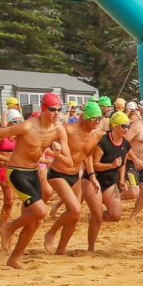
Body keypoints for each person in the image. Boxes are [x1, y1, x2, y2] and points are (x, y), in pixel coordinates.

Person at [0, 92, 72, 269]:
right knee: (40, 211)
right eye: (52, 109)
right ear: (43, 109)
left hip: (33, 172)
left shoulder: (58, 130)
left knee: (35, 220)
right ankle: (8, 227)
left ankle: (14, 258)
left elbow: (69, 161)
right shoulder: (27, 127)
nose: (56, 113)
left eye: (59, 109)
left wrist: (57, 155)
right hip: (16, 171)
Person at [42, 102, 106, 255]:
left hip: (75, 175)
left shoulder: (97, 134)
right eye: (94, 119)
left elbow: (87, 156)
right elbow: (44, 143)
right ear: (84, 117)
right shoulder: (68, 130)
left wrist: (91, 176)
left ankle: (61, 250)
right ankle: (50, 232)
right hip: (58, 173)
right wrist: (53, 152)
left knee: (74, 217)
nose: (96, 122)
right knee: (75, 209)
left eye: (99, 119)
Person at [87, 111, 132, 251]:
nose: (126, 129)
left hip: (110, 181)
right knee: (98, 217)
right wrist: (111, 165)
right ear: (114, 126)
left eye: (128, 126)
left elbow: (123, 164)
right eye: (123, 126)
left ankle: (93, 216)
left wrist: (122, 180)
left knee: (115, 215)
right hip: (93, 180)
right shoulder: (103, 141)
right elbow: (94, 164)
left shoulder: (125, 144)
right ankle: (91, 248)